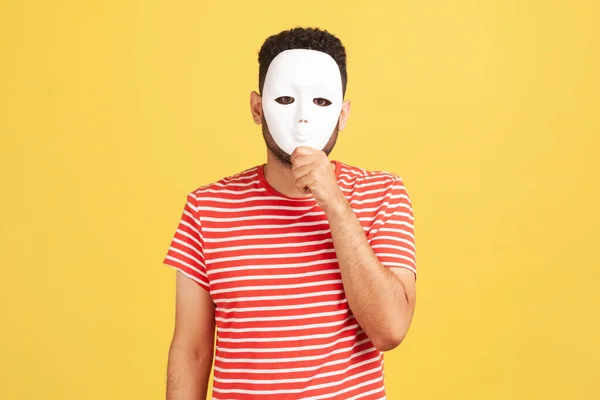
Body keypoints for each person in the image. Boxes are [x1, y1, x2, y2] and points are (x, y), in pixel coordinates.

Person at [163, 26, 417, 400]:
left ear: (343, 114)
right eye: (284, 98)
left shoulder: (383, 194)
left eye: (320, 102)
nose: (302, 118)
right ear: (256, 107)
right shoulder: (207, 207)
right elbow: (192, 350)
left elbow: (390, 329)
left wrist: (335, 205)